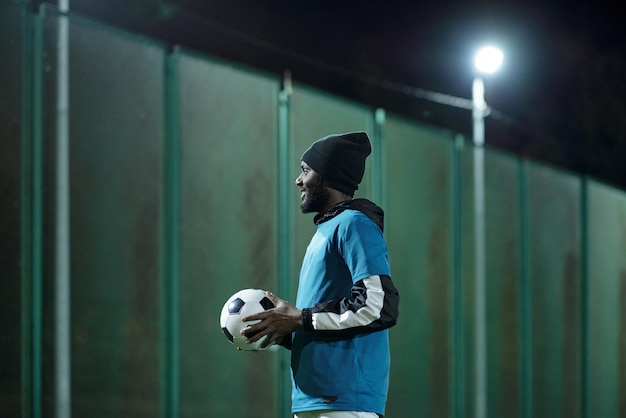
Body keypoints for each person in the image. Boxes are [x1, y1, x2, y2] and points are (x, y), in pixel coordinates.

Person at [241, 131, 400, 418]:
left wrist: (301, 318)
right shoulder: (326, 230)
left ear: (327, 176)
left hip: (345, 401)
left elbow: (378, 305)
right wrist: (281, 328)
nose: (298, 180)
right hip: (317, 401)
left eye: (305, 171)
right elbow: (326, 322)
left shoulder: (354, 224)